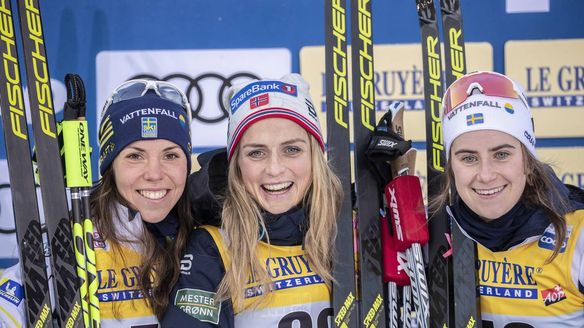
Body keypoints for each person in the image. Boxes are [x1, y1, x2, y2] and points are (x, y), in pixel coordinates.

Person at [0, 79, 195, 327]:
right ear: (109, 166)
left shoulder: (204, 233)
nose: (154, 174)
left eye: (171, 155)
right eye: (135, 156)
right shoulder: (73, 239)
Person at [162, 73, 343, 327]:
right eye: (256, 153)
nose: (275, 169)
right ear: (236, 166)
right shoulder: (213, 247)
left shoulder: (345, 231)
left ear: (315, 156)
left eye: (292, 150)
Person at [434, 71, 584, 326]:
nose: (486, 175)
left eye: (502, 154)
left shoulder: (577, 233)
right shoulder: (437, 233)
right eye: (468, 158)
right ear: (451, 168)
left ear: (528, 160)